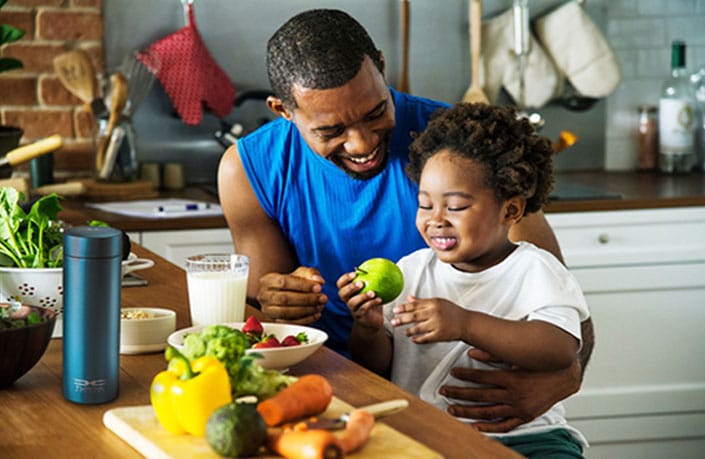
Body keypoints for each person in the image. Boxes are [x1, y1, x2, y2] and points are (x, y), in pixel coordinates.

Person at [217, 8, 595, 433]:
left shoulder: (460, 149)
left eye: (375, 111)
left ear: (381, 65)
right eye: (331, 130)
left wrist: (565, 379)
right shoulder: (249, 169)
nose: (362, 143)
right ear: (282, 110)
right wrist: (275, 300)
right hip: (319, 393)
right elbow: (262, 325)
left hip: (465, 411)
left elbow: (564, 307)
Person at [339, 103, 589, 457]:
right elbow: (378, 366)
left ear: (511, 210)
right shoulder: (411, 270)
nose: (435, 220)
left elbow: (560, 348)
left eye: (454, 207)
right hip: (426, 435)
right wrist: (366, 328)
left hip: (528, 438)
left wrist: (465, 323)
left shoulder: (535, 269)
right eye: (425, 205)